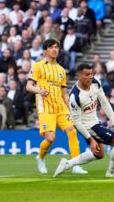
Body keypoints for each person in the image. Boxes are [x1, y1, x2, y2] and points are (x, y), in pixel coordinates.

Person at [54, 64, 114, 178]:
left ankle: (67, 164)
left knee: (99, 154)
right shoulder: (75, 96)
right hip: (87, 126)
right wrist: (90, 139)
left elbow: (104, 103)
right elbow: (77, 122)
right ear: (79, 76)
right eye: (87, 75)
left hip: (95, 122)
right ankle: (112, 171)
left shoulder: (95, 83)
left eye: (91, 74)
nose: (90, 77)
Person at [26, 39, 86, 174]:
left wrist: (70, 109)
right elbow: (28, 86)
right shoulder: (37, 66)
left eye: (57, 47)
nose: (55, 50)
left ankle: (75, 164)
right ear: (45, 50)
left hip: (60, 106)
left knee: (72, 130)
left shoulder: (61, 70)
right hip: (45, 108)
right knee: (50, 139)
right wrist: (39, 91)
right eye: (52, 47)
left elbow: (64, 93)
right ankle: (40, 157)